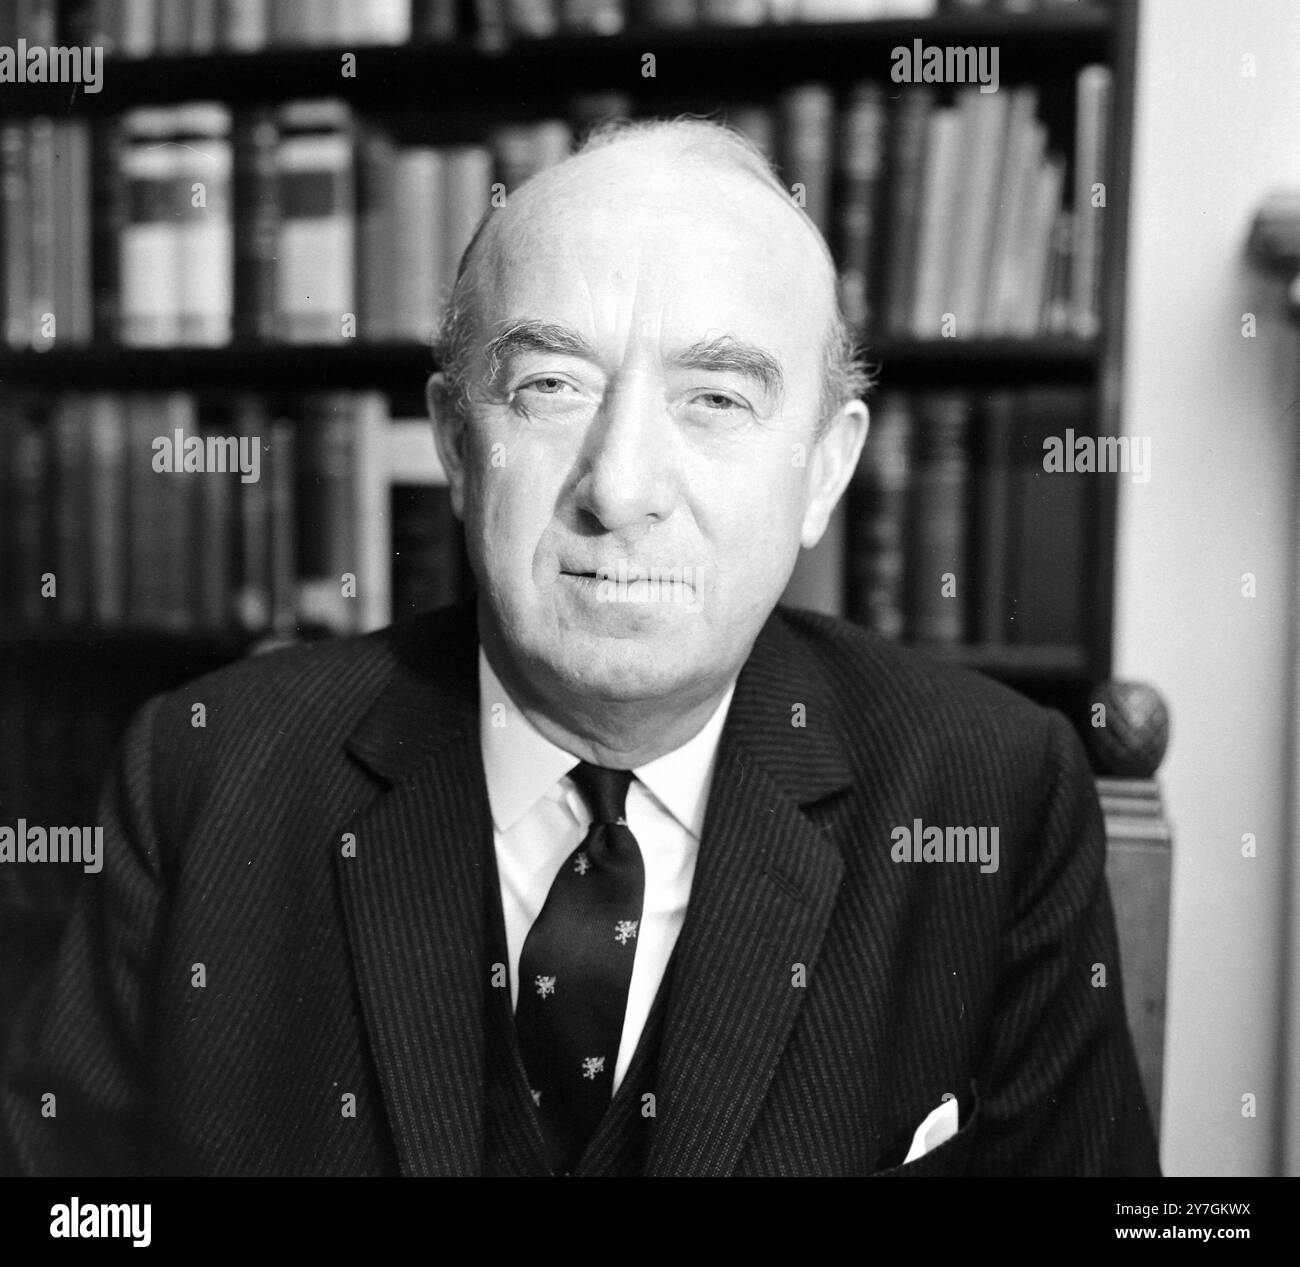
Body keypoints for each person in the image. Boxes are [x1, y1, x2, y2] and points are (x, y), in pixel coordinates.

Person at [0, 119, 1159, 1176]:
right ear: (457, 444)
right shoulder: (203, 775)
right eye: (551, 385)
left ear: (824, 468)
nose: (621, 485)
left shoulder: (991, 795)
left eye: (716, 398)